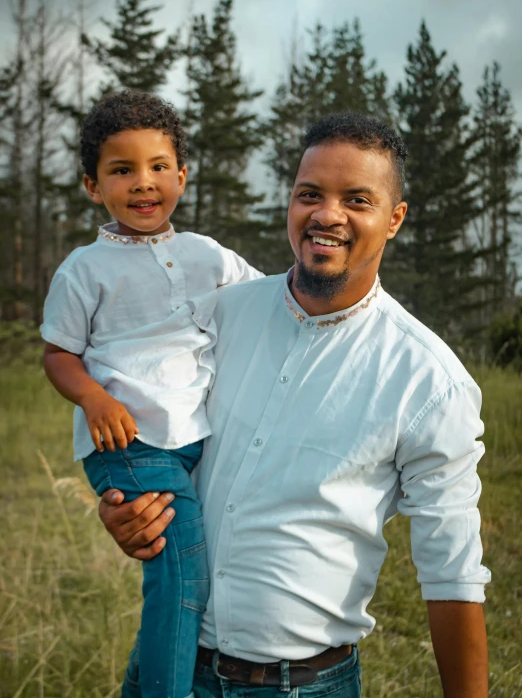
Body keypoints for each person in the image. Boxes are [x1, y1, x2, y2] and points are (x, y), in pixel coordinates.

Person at [99, 111, 491, 698]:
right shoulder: (219, 315)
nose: (327, 215)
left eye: (357, 199)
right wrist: (127, 509)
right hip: (168, 665)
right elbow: (149, 421)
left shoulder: (429, 382)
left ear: (394, 220)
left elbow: (452, 575)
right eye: (311, 194)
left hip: (304, 685)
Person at [40, 90, 262, 698]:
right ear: (93, 186)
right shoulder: (84, 269)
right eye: (122, 170)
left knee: (185, 574)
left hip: (193, 437)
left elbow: (271, 296)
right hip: (130, 439)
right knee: (183, 576)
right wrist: (93, 398)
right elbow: (57, 353)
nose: (144, 184)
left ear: (182, 176)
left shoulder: (206, 254)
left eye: (159, 167)